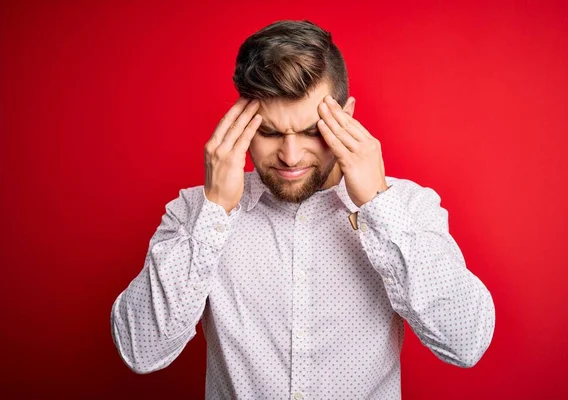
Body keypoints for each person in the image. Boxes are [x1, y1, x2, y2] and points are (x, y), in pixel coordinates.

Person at [111, 19, 495, 399]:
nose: (291, 156)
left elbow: (466, 342)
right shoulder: (195, 211)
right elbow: (140, 351)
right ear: (241, 122)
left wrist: (378, 205)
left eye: (312, 131)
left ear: (346, 116)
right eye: (270, 132)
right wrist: (214, 211)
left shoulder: (407, 208)